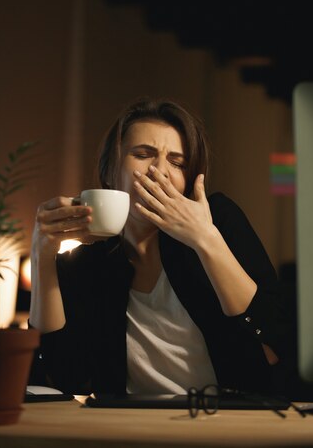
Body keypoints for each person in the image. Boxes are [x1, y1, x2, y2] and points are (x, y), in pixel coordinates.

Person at [29, 97, 293, 397]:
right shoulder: (88, 265)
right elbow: (64, 376)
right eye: (142, 154)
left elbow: (275, 346)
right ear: (111, 170)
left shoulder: (218, 221)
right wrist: (42, 255)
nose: (160, 171)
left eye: (177, 163)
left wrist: (205, 239)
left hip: (226, 423)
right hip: (132, 431)